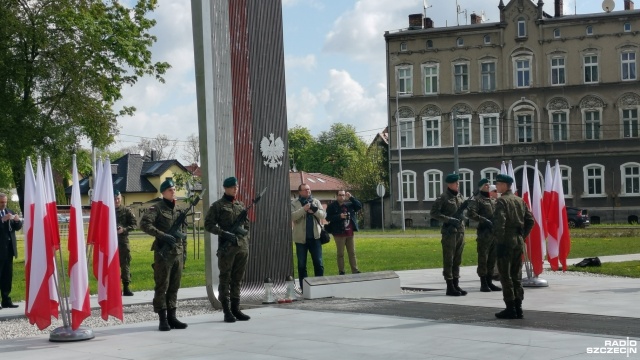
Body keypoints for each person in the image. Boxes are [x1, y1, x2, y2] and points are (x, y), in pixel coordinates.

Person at [140, 179, 188, 331]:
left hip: (177, 254)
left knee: (174, 286)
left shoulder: (179, 210)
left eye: (173, 189)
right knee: (162, 286)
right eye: (169, 189)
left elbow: (183, 235)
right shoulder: (157, 208)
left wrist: (184, 255)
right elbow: (144, 224)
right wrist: (162, 235)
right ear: (163, 192)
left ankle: (172, 317)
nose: (173, 191)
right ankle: (162, 318)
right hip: (163, 254)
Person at [204, 176, 251, 323]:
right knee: (225, 278)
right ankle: (227, 310)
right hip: (227, 249)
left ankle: (236, 309)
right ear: (225, 188)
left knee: (237, 279)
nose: (235, 189)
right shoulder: (217, 206)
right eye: (232, 187)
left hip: (242, 247)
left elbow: (247, 224)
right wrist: (223, 233)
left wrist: (245, 236)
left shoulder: (240, 205)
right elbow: (208, 224)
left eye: (236, 187)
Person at [492, 174, 534, 319]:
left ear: (505, 185)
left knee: (505, 275)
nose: (496, 186)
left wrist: (500, 242)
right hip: (518, 241)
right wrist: (522, 235)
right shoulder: (519, 200)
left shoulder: (501, 202)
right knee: (517, 275)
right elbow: (530, 221)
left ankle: (510, 307)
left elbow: (500, 224)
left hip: (506, 241)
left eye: (498, 184)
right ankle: (518, 307)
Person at [430, 173, 467, 296]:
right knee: (449, 259)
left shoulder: (460, 196)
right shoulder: (443, 198)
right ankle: (449, 286)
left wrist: (462, 216)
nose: (458, 184)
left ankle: (456, 284)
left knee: (457, 259)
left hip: (460, 231)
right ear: (449, 184)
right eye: (455, 183)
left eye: (458, 183)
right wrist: (449, 219)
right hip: (449, 233)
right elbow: (434, 213)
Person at [468, 179, 501, 293]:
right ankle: (483, 283)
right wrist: (484, 220)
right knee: (483, 258)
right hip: (484, 233)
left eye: (488, 184)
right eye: (485, 185)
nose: (488, 186)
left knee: (492, 258)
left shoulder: (492, 200)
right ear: (481, 187)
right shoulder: (477, 200)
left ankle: (489, 281)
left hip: (494, 233)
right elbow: (471, 213)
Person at [291, 183, 325, 290]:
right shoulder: (294, 203)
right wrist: (304, 209)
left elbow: (324, 215)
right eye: (305, 190)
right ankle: (304, 288)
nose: (308, 191)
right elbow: (292, 216)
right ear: (300, 192)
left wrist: (314, 211)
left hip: (315, 238)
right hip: (301, 239)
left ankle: (319, 286)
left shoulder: (316, 201)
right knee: (301, 265)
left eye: (309, 189)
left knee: (318, 263)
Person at [326, 190, 362, 275]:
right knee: (340, 253)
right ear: (336, 196)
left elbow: (359, 206)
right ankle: (341, 271)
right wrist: (339, 216)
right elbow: (328, 218)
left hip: (350, 233)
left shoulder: (349, 205)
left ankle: (355, 270)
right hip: (339, 233)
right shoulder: (332, 206)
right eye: (340, 195)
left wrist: (351, 197)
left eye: (343, 195)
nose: (341, 197)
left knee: (352, 253)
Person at [0, 193, 22, 309]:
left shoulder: (10, 211)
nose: (4, 204)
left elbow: (17, 227)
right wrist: (2, 220)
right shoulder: (3, 215)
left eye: (5, 202)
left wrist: (17, 221)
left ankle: (6, 300)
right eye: (1, 202)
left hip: (9, 250)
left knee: (7, 277)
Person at [114, 190, 137, 296]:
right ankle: (115, 288)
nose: (116, 200)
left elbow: (134, 224)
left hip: (123, 241)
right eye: (114, 199)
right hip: (111, 242)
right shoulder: (107, 210)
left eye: (118, 198)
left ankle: (126, 287)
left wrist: (124, 229)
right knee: (113, 266)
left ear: (121, 198)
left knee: (125, 264)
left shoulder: (126, 210)